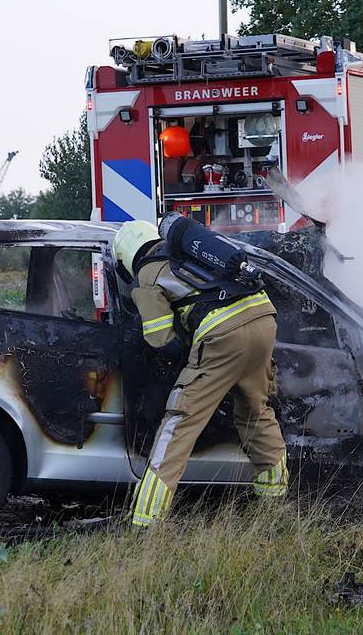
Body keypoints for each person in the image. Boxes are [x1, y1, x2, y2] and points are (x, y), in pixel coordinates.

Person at [113, 219, 288, 528]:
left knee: (179, 424)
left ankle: (145, 519)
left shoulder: (147, 274)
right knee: (256, 411)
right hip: (263, 317)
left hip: (222, 335)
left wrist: (187, 355)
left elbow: (160, 338)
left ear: (125, 257)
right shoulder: (189, 252)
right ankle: (274, 497)